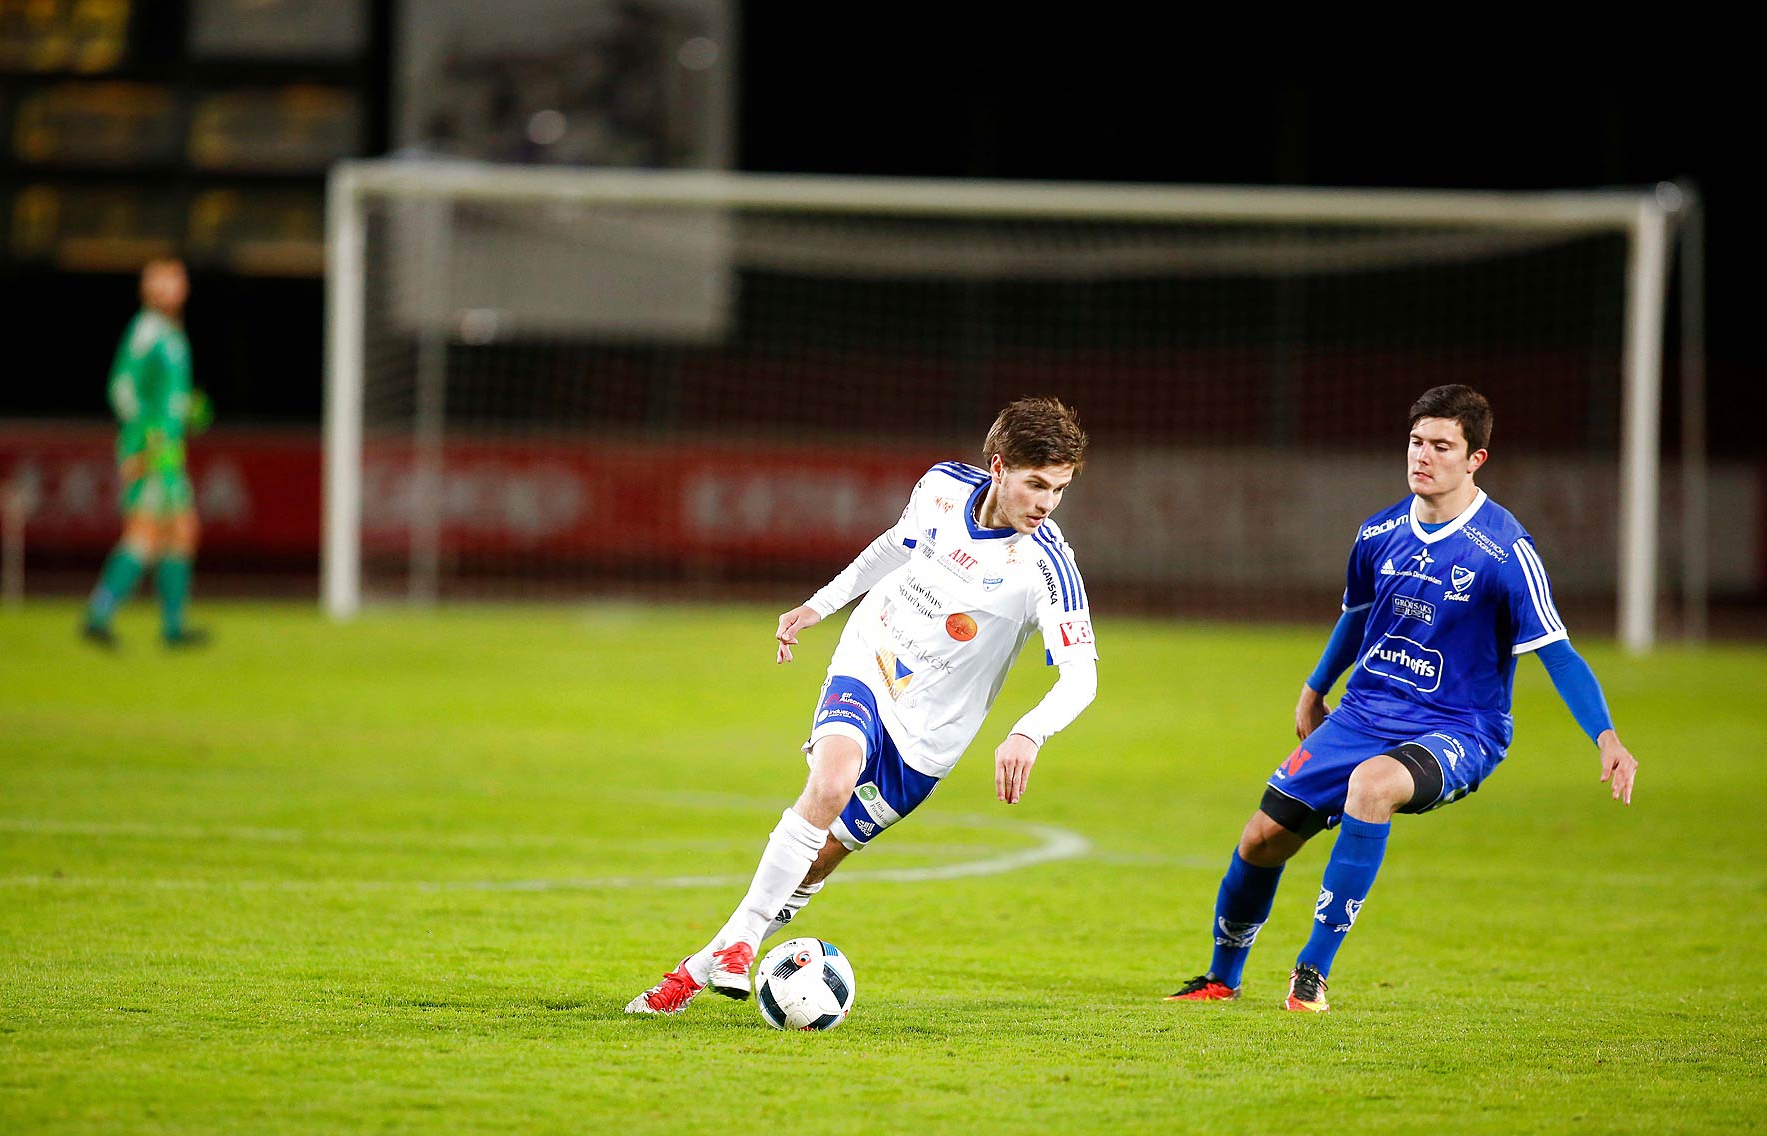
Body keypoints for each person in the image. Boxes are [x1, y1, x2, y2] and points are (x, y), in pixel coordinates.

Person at [1165, 385, 1638, 1013]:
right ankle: (1223, 978)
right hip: (1363, 713)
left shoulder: (1505, 551)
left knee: (1372, 786)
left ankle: (1312, 972)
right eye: (1417, 441)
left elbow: (1557, 652)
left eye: (1442, 446)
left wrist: (1605, 736)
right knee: (1260, 840)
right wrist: (1314, 688)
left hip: (1460, 728)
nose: (1423, 456)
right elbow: (1355, 618)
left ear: (1476, 459)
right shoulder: (1379, 532)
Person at [627, 397, 1098, 1014]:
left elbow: (1080, 678)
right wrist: (820, 606)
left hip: (932, 735)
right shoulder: (941, 486)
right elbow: (894, 547)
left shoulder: (1046, 565)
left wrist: (1028, 732)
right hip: (873, 657)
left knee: (815, 864)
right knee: (833, 778)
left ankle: (692, 973)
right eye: (1036, 484)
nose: (1046, 503)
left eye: (1059, 490)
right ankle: (742, 943)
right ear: (999, 465)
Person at [81, 259, 210, 648]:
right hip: (152, 449)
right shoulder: (146, 331)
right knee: (144, 533)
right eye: (168, 281)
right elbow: (121, 388)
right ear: (151, 289)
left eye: (179, 280)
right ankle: (98, 614)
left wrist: (188, 409)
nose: (177, 286)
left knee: (182, 531)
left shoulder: (172, 333)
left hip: (169, 449)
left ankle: (172, 627)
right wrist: (143, 437)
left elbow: (164, 395)